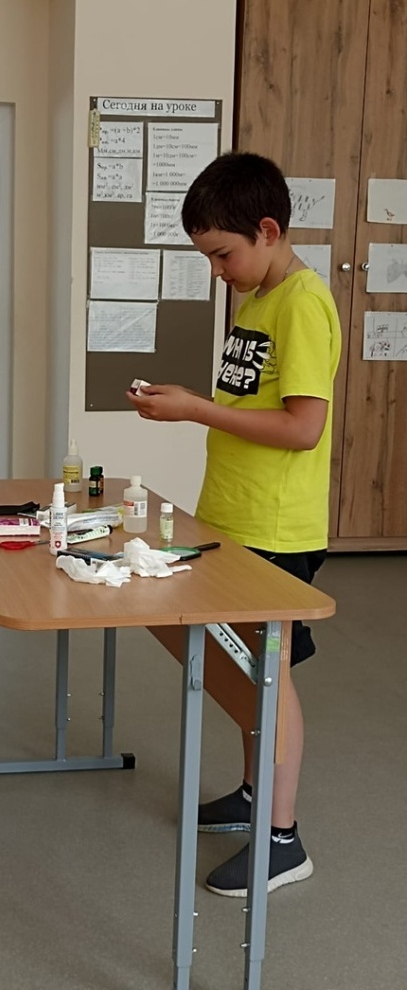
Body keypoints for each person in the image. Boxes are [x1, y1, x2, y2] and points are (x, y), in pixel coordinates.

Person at [127, 151, 341, 896]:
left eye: (223, 254)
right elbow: (253, 407)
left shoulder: (302, 303)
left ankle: (282, 839)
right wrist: (191, 405)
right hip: (233, 515)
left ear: (269, 230)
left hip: (277, 527)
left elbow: (303, 428)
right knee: (235, 666)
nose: (218, 271)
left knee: (267, 680)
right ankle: (255, 794)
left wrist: (195, 408)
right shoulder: (257, 299)